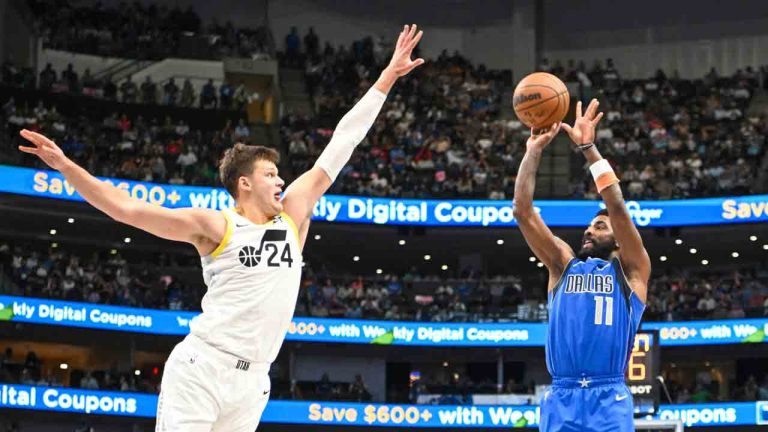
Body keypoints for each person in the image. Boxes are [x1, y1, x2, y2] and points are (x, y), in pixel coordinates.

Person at [18, 24, 424, 432]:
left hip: (254, 383)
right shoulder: (217, 224)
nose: (281, 181)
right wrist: (66, 167)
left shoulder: (292, 216)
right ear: (244, 183)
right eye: (271, 174)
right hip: (203, 369)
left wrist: (387, 77)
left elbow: (342, 142)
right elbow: (127, 209)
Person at [512, 100, 650, 432]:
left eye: (600, 227)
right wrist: (533, 152)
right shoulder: (562, 265)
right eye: (589, 226)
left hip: (609, 394)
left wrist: (589, 149)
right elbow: (522, 211)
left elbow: (615, 205)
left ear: (618, 239)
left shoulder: (632, 272)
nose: (589, 230)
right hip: (562, 395)